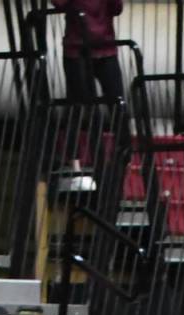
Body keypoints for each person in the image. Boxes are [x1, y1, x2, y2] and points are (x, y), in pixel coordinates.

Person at [50, 0, 125, 192]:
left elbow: (116, 8)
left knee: (117, 105)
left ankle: (121, 159)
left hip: (103, 47)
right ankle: (76, 164)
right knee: (80, 108)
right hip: (78, 49)